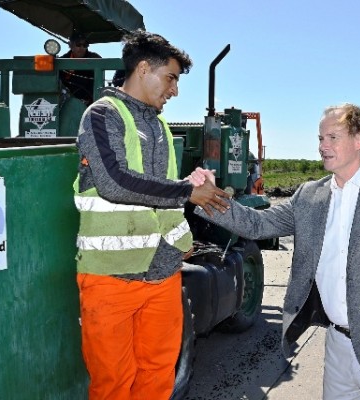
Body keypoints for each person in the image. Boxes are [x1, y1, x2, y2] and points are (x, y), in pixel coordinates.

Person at [191, 103, 360, 399]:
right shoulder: (310, 195)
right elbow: (256, 224)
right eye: (320, 138)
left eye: (332, 137)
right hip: (338, 347)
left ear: (359, 140)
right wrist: (209, 197)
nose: (323, 146)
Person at [73, 29, 230, 399]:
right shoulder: (101, 115)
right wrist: (188, 191)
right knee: (113, 383)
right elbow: (114, 182)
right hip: (110, 278)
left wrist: (182, 241)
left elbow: (159, 195)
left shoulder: (158, 125)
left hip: (162, 276)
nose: (174, 89)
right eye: (171, 78)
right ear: (144, 68)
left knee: (158, 376)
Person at [59, 32, 102, 105]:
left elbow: (98, 84)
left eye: (85, 45)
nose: (82, 48)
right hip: (67, 103)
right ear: (70, 45)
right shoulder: (62, 61)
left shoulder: (95, 58)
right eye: (78, 44)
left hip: (90, 102)